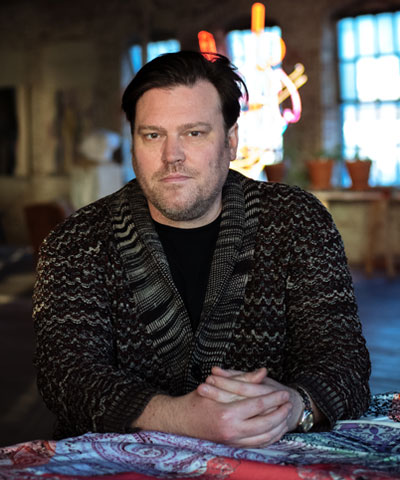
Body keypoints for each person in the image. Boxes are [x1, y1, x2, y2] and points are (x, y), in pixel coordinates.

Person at [33, 51, 371, 447]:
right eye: (153, 135)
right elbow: (66, 375)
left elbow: (343, 359)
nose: (171, 156)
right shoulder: (76, 242)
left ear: (230, 141)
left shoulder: (297, 222)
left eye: (194, 133)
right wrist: (178, 417)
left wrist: (294, 405)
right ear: (133, 144)